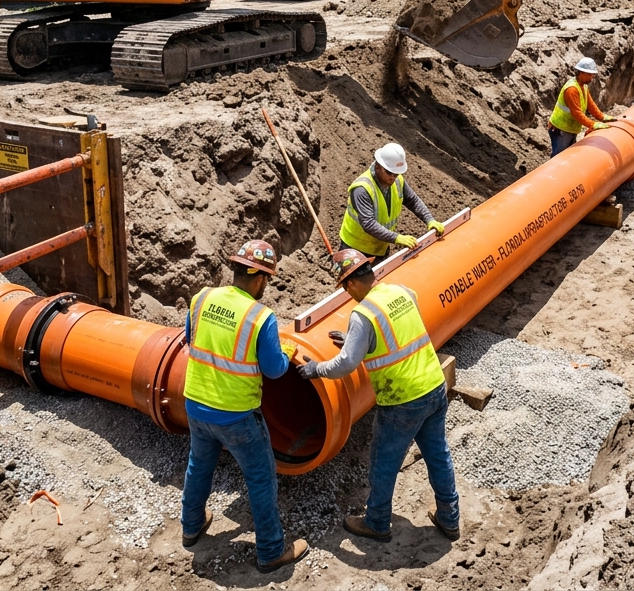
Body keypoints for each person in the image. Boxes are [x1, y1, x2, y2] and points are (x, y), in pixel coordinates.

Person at [298, 249, 460, 542]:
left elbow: (345, 364)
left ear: (349, 285)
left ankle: (376, 522)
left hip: (403, 400)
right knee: (438, 455)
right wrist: (358, 343)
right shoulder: (400, 291)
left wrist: (316, 369)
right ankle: (450, 518)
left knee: (384, 461)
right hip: (433, 385)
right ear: (370, 273)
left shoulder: (362, 314)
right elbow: (396, 331)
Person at [180, 240, 309, 574]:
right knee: (261, 478)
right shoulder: (260, 317)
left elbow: (189, 339)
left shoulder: (202, 297)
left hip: (196, 404)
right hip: (237, 415)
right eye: (267, 278)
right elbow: (275, 369)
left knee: (199, 465)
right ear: (260, 278)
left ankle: (191, 526)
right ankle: (270, 551)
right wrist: (288, 354)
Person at [339, 143, 446, 259]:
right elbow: (368, 223)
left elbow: (412, 200)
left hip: (380, 248)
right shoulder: (362, 189)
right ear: (378, 166)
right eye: (389, 172)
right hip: (355, 250)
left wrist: (430, 220)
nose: (393, 177)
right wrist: (397, 238)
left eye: (396, 174)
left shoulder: (397, 181)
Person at [548, 56, 615, 157]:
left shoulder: (583, 86)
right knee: (558, 157)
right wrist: (593, 124)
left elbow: (590, 104)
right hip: (561, 129)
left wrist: (601, 117)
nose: (591, 77)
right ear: (580, 73)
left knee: (568, 155)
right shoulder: (571, 89)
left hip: (570, 128)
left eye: (592, 75)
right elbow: (576, 113)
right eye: (589, 74)